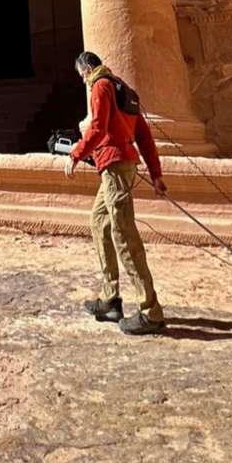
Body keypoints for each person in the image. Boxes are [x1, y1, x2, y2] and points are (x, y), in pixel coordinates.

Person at [64, 50, 168, 336]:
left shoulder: (101, 86)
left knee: (124, 234)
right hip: (119, 166)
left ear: (86, 70)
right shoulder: (125, 90)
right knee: (100, 222)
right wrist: (156, 174)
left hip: (114, 167)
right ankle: (110, 299)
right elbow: (144, 136)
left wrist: (75, 154)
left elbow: (97, 127)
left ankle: (151, 312)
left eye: (81, 76)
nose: (84, 82)